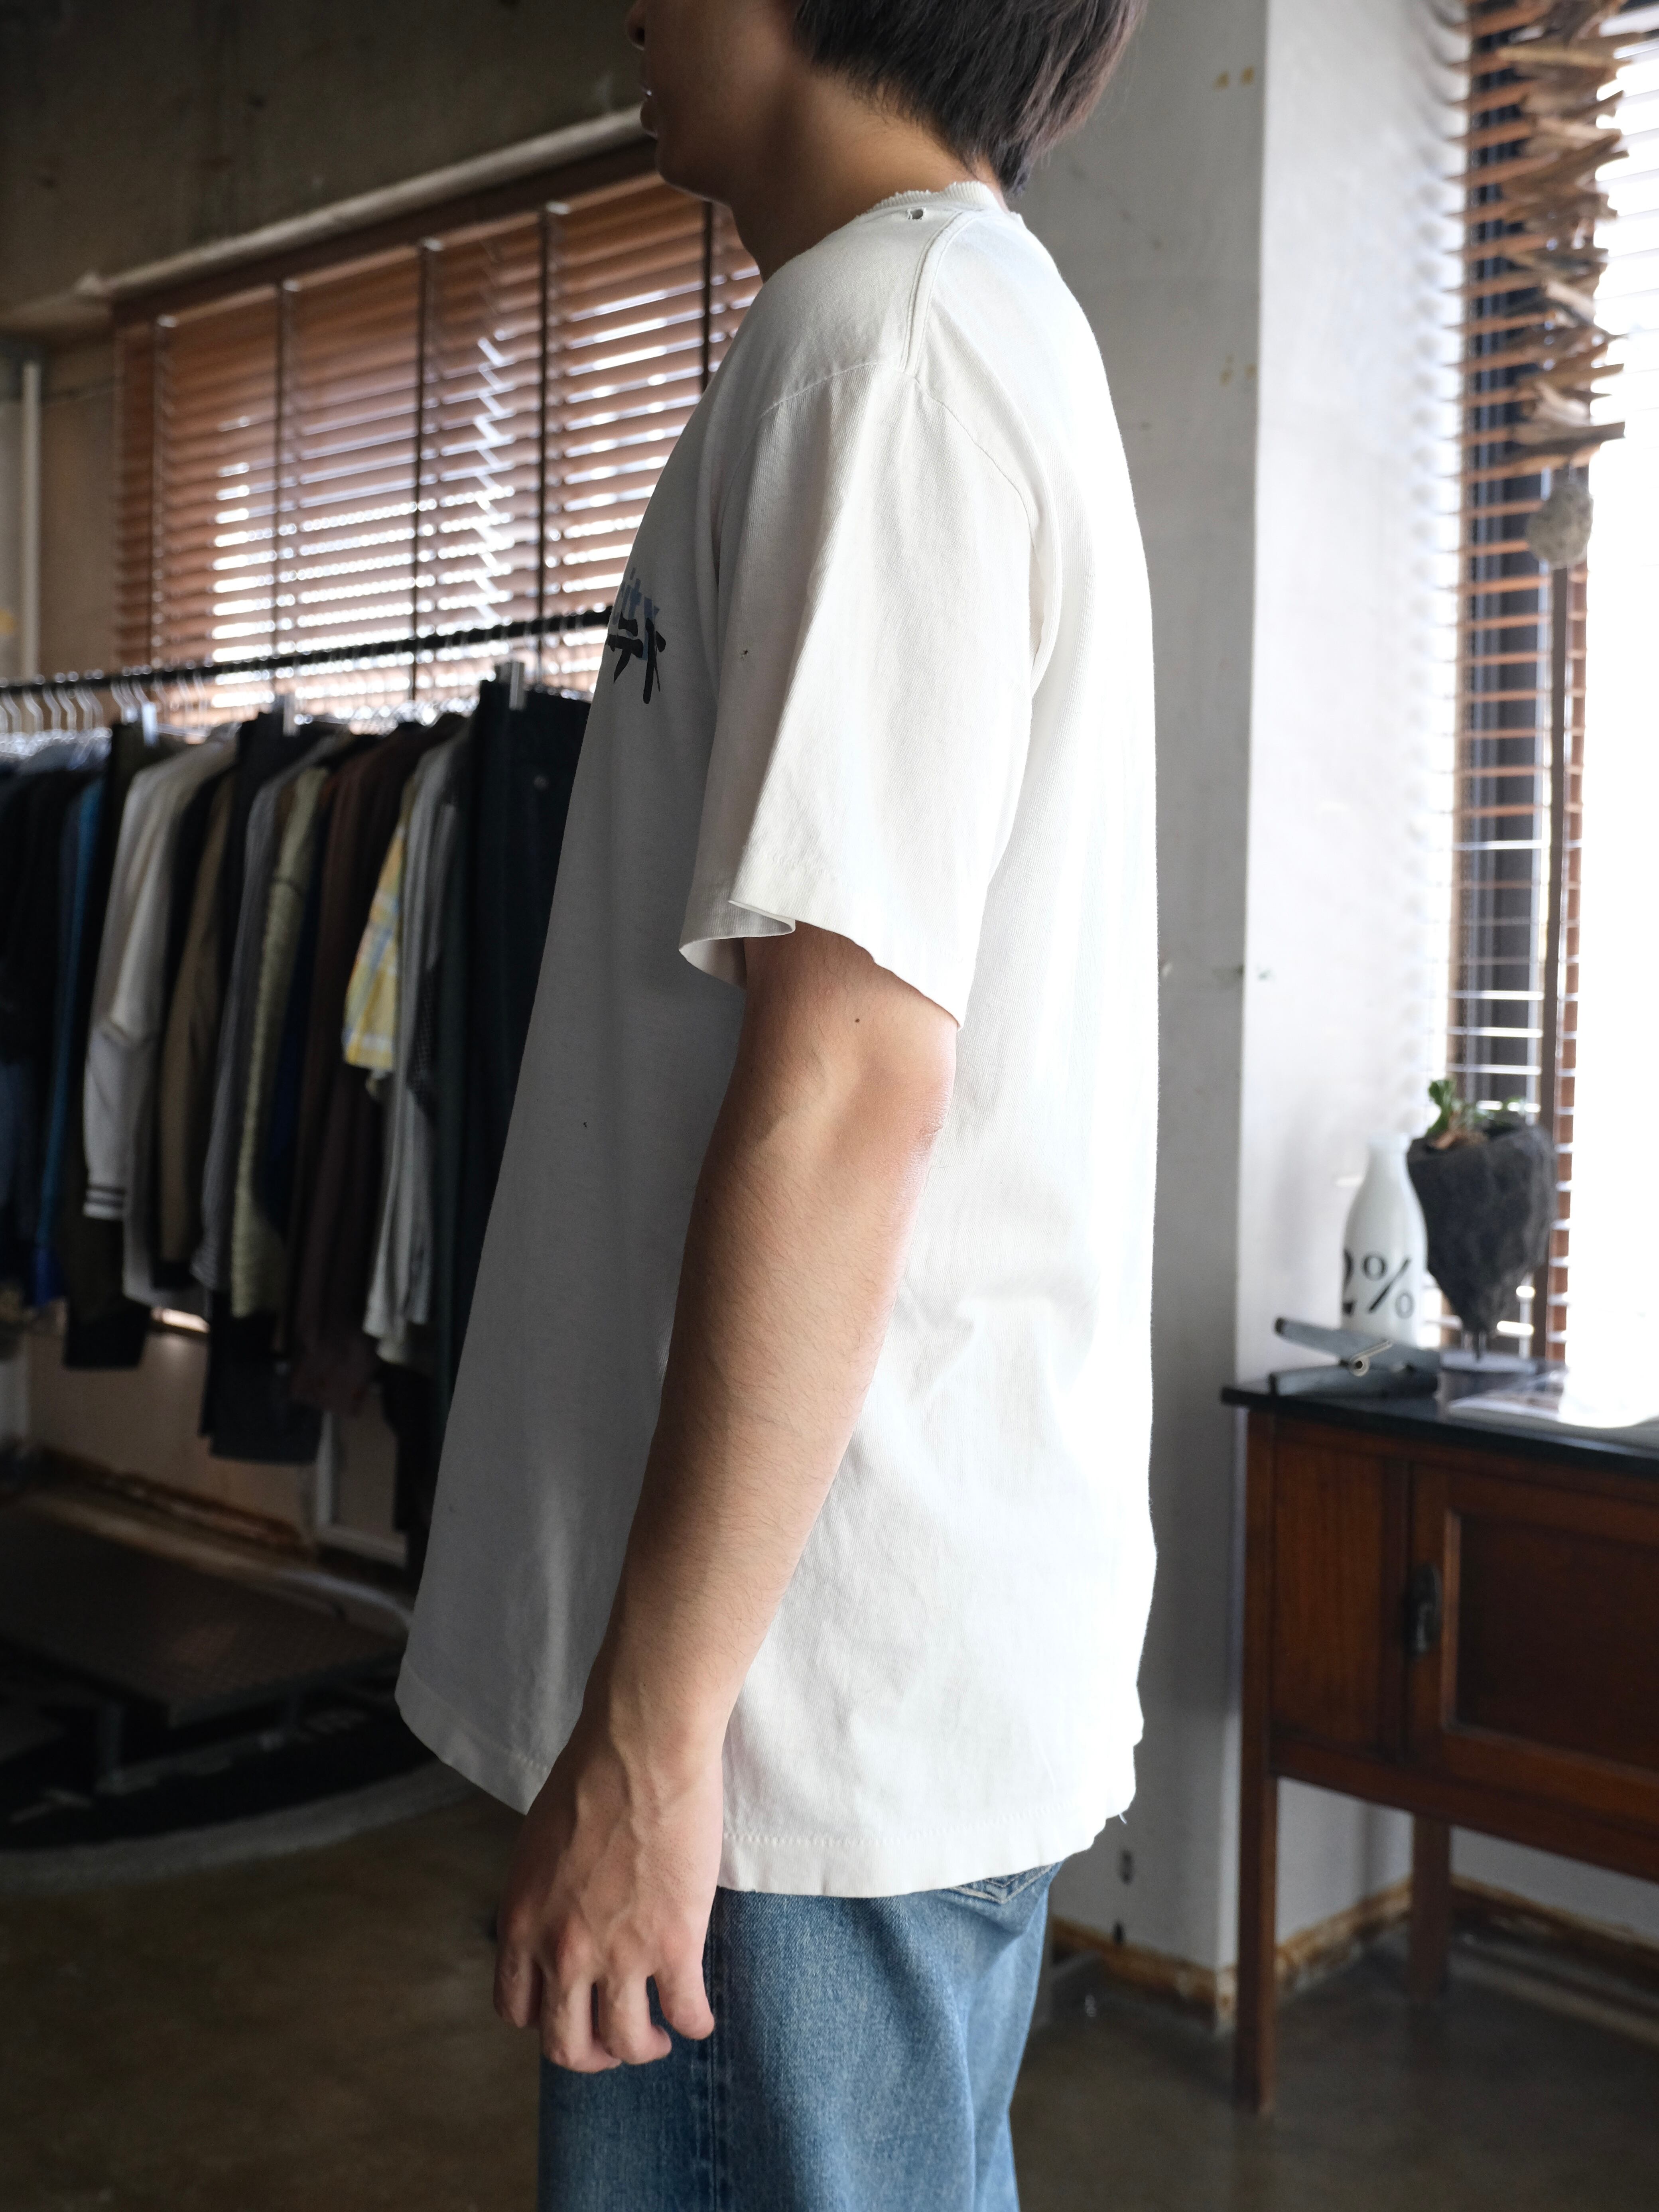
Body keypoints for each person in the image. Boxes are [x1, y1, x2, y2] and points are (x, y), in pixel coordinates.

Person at [396, 0, 1157, 2203]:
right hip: (803, 1682)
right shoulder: (920, 327)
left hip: (785, 1716)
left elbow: (845, 1089)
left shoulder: (886, 349)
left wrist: (654, 1741)